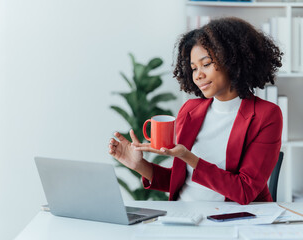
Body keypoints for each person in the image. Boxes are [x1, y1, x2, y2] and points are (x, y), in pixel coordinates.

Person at [108, 17, 283, 205]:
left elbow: (244, 190)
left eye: (206, 64)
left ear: (232, 61)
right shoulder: (190, 110)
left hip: (232, 219)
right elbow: (183, 181)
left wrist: (188, 157)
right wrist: (139, 165)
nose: (198, 75)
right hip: (184, 215)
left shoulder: (266, 115)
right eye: (193, 68)